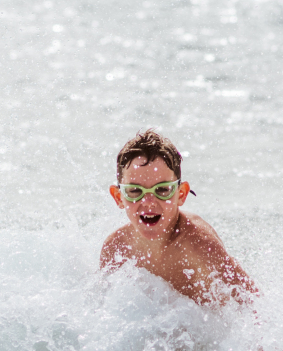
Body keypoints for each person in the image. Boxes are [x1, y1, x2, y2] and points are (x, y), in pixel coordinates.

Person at [100, 129, 258, 306]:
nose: (149, 202)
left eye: (162, 190)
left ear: (181, 194)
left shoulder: (200, 246)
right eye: (135, 191)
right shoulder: (116, 248)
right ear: (118, 197)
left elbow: (254, 305)